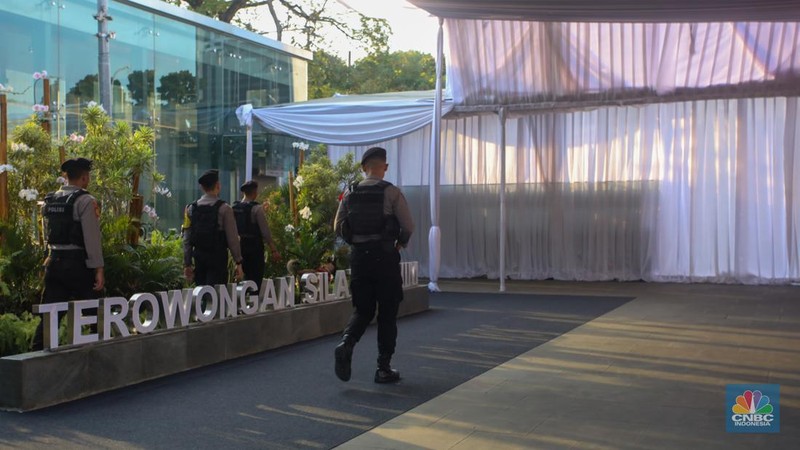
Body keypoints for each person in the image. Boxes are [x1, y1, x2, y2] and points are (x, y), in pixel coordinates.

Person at [333, 147, 414, 383]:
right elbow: (408, 225)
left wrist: (356, 242)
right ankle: (383, 368)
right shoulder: (391, 192)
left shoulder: (350, 192)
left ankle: (346, 342)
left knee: (363, 310)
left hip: (360, 259)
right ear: (385, 167)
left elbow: (338, 226)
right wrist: (401, 243)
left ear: (363, 167)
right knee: (387, 312)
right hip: (385, 257)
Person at [34, 157, 104, 350]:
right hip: (78, 264)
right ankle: (98, 353)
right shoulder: (85, 201)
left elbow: (47, 233)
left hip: (53, 262)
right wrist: (98, 268)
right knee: (93, 312)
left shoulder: (50, 200)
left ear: (65, 177)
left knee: (50, 316)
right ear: (84, 178)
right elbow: (92, 237)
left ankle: (35, 355)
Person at [182, 169, 244, 286]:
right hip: (218, 258)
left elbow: (187, 239)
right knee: (216, 296)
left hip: (199, 257)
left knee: (201, 293)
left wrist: (187, 264)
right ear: (218, 186)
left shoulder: (190, 208)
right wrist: (238, 262)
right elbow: (233, 239)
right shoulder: (225, 208)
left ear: (202, 188)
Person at [233, 180, 281, 290]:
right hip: (254, 248)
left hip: (239, 247)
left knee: (241, 278)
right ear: (255, 193)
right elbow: (265, 231)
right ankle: (252, 301)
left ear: (243, 193)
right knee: (255, 278)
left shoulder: (234, 208)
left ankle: (242, 301)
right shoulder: (256, 209)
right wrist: (273, 250)